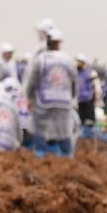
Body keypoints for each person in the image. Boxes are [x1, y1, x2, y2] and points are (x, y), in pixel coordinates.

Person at [23, 28, 78, 157]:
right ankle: (67, 155)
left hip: (44, 101)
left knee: (40, 129)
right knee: (63, 130)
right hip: (63, 101)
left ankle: (41, 155)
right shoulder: (68, 60)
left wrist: (30, 98)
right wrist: (73, 97)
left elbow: (32, 81)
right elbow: (74, 82)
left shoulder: (41, 59)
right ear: (59, 43)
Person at [75, 54, 98, 139]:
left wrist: (96, 98)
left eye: (78, 62)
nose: (77, 63)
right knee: (82, 120)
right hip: (80, 100)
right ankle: (84, 139)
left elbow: (96, 87)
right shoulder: (76, 73)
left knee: (90, 120)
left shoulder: (90, 73)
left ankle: (91, 137)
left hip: (88, 99)